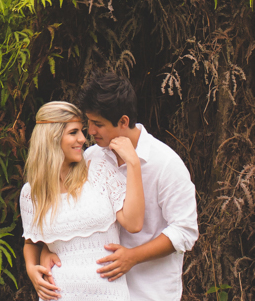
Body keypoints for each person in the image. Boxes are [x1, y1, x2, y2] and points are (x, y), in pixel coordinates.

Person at [72, 74, 200, 301]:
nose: (90, 131)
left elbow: (184, 230)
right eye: (89, 122)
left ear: (123, 121)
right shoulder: (92, 158)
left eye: (98, 124)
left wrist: (132, 257)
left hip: (150, 292)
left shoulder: (166, 164)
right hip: (100, 292)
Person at [21, 101, 144, 301]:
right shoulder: (32, 193)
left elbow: (134, 223)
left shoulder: (99, 168)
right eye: (73, 132)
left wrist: (133, 163)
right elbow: (31, 241)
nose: (82, 138)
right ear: (52, 138)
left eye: (81, 131)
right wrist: (30, 268)